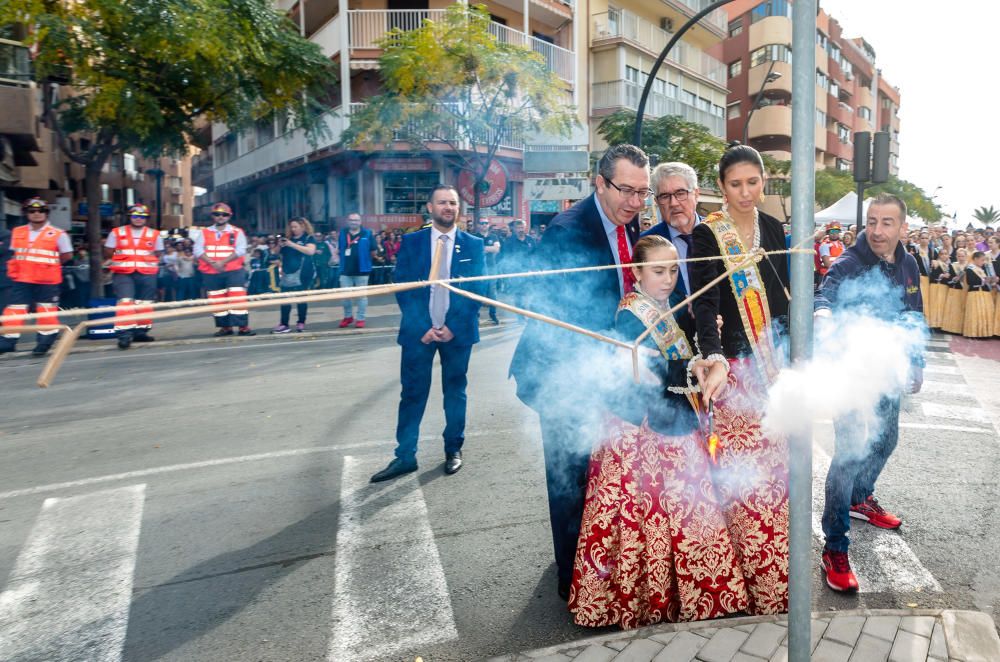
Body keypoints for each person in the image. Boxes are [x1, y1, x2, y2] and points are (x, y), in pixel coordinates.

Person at [568, 235, 750, 628]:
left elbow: (681, 343)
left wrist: (703, 332)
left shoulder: (665, 305)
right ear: (636, 272)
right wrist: (689, 368)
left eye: (672, 270)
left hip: (669, 419)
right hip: (639, 429)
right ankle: (646, 597)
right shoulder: (630, 314)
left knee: (682, 509)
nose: (667, 279)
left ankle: (695, 591)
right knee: (645, 514)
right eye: (657, 271)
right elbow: (642, 375)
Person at [509, 144, 650, 600]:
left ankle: (599, 563)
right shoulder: (567, 231)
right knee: (568, 476)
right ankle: (571, 577)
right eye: (626, 190)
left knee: (600, 472)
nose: (634, 202)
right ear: (599, 182)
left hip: (611, 369)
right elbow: (553, 311)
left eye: (642, 192)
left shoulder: (633, 227)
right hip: (564, 375)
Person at [689, 143, 790, 615]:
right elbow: (703, 304)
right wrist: (713, 354)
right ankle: (741, 578)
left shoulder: (773, 228)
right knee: (741, 479)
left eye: (753, 182)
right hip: (734, 371)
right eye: (735, 184)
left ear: (764, 181)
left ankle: (778, 572)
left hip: (775, 368)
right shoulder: (707, 235)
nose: (745, 192)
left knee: (776, 474)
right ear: (721, 188)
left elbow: (786, 301)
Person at [815, 193, 924, 592]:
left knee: (887, 440)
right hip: (852, 376)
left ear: (902, 228)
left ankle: (862, 497)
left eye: (887, 223)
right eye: (872, 221)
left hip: (888, 370)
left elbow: (914, 311)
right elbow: (825, 292)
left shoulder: (908, 262)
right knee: (849, 456)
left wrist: (916, 361)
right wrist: (823, 312)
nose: (877, 231)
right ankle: (835, 547)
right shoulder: (849, 262)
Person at [370, 185, 485, 482]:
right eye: (442, 202)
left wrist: (452, 328)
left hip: (456, 333)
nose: (448, 207)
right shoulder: (413, 242)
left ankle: (453, 449)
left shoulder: (473, 244)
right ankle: (405, 456)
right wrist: (422, 327)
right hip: (418, 333)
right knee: (412, 394)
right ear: (430, 208)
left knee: (455, 393)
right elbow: (403, 287)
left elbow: (478, 291)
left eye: (453, 203)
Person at [0, 197, 73, 356]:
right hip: (21, 279)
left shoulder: (58, 234)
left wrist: (47, 266)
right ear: (26, 213)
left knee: (45, 311)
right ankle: (8, 341)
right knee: (14, 309)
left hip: (47, 281)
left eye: (41, 211)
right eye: (32, 211)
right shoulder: (17, 232)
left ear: (46, 213)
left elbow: (66, 255)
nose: (37, 214)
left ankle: (45, 342)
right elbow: (14, 254)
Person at [104, 203, 164, 349]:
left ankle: (141, 332)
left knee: (144, 304)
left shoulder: (154, 234)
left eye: (142, 216)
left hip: (147, 273)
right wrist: (123, 255)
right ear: (130, 217)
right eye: (135, 216)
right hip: (124, 273)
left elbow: (158, 253)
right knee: (125, 302)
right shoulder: (117, 232)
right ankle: (124, 335)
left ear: (146, 219)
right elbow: (109, 251)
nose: (138, 219)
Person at [192, 202, 255, 337]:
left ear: (229, 216)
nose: (220, 217)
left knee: (237, 298)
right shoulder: (205, 232)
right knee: (217, 300)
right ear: (213, 216)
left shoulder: (237, 232)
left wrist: (222, 262)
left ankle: (243, 327)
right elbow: (197, 250)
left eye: (224, 214)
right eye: (217, 214)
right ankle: (225, 327)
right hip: (211, 271)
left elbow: (241, 250)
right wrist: (213, 263)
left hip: (233, 270)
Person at [641, 161, 702, 298]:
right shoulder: (644, 244)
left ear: (696, 194)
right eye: (664, 196)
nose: (673, 203)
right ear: (656, 202)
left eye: (680, 193)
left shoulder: (720, 233)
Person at [272, 217, 317, 334]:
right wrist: (279, 245)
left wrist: (292, 244)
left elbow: (310, 251)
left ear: (303, 226)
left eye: (296, 227)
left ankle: (301, 322)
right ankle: (284, 324)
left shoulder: (308, 238)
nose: (293, 229)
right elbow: (275, 253)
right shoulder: (288, 238)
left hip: (303, 272)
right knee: (284, 299)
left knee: (301, 299)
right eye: (291, 227)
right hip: (287, 272)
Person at [337, 213, 375, 328]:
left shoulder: (367, 233)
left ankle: (360, 318)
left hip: (362, 271)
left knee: (361, 297)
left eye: (356, 220)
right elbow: (340, 249)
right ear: (347, 221)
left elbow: (373, 251)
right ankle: (348, 317)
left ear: (360, 221)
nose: (354, 222)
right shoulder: (343, 233)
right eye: (351, 220)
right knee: (345, 297)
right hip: (345, 270)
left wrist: (365, 260)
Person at [471, 218, 501, 324]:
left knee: (492, 292)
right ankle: (476, 316)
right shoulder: (474, 236)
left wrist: (483, 248)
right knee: (479, 292)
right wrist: (490, 248)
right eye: (482, 223)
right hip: (478, 268)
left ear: (489, 225)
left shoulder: (494, 236)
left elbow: (496, 249)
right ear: (478, 225)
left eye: (486, 223)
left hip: (492, 267)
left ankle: (493, 315)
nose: (484, 225)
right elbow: (474, 251)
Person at [962, 251, 993, 338]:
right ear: (975, 259)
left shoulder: (983, 269)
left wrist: (990, 280)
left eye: (984, 260)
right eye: (982, 260)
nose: (983, 262)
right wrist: (983, 281)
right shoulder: (970, 269)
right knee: (974, 313)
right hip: (974, 293)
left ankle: (983, 333)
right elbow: (970, 281)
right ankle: (973, 332)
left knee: (983, 313)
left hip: (984, 293)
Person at [941, 248, 969, 335]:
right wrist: (952, 279)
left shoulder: (969, 266)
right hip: (954, 289)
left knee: (962, 310)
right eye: (959, 256)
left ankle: (961, 328)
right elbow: (948, 278)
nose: (961, 258)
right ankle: (951, 328)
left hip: (964, 290)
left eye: (962, 256)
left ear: (966, 256)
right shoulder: (952, 265)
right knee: (953, 310)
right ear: (956, 256)